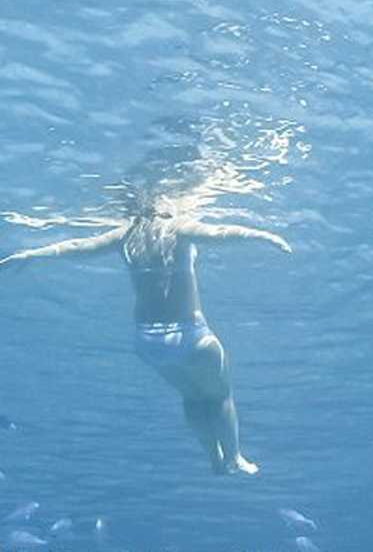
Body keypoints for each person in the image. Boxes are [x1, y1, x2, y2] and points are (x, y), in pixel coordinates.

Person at [0, 196, 290, 475]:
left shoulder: (125, 234)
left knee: (191, 397)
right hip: (192, 336)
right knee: (220, 395)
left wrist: (32, 253)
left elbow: (78, 245)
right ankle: (234, 457)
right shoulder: (178, 226)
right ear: (165, 207)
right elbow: (221, 234)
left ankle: (214, 460)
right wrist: (264, 236)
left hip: (148, 343)